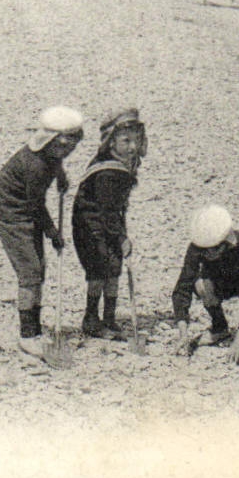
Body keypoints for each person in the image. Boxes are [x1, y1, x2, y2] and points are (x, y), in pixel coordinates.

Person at [0, 106, 84, 359]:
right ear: (52, 141)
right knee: (30, 273)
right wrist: (53, 232)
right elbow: (35, 206)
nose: (68, 151)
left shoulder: (52, 154)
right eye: (66, 146)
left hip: (27, 212)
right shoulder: (35, 165)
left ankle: (35, 326)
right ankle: (27, 336)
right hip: (11, 215)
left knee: (38, 270)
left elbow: (57, 162)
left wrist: (62, 176)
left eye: (72, 147)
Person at [72, 107, 147, 340]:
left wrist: (118, 235)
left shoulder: (122, 164)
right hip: (90, 227)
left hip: (107, 224)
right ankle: (91, 319)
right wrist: (122, 237)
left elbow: (115, 210)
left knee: (114, 269)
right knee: (98, 271)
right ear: (111, 142)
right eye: (125, 141)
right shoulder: (107, 172)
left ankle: (110, 319)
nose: (132, 147)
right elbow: (107, 211)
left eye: (136, 141)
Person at [171, 204, 239, 356]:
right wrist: (183, 334)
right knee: (200, 285)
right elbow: (182, 289)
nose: (209, 253)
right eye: (206, 250)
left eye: (215, 248)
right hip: (218, 282)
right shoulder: (196, 248)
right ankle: (220, 327)